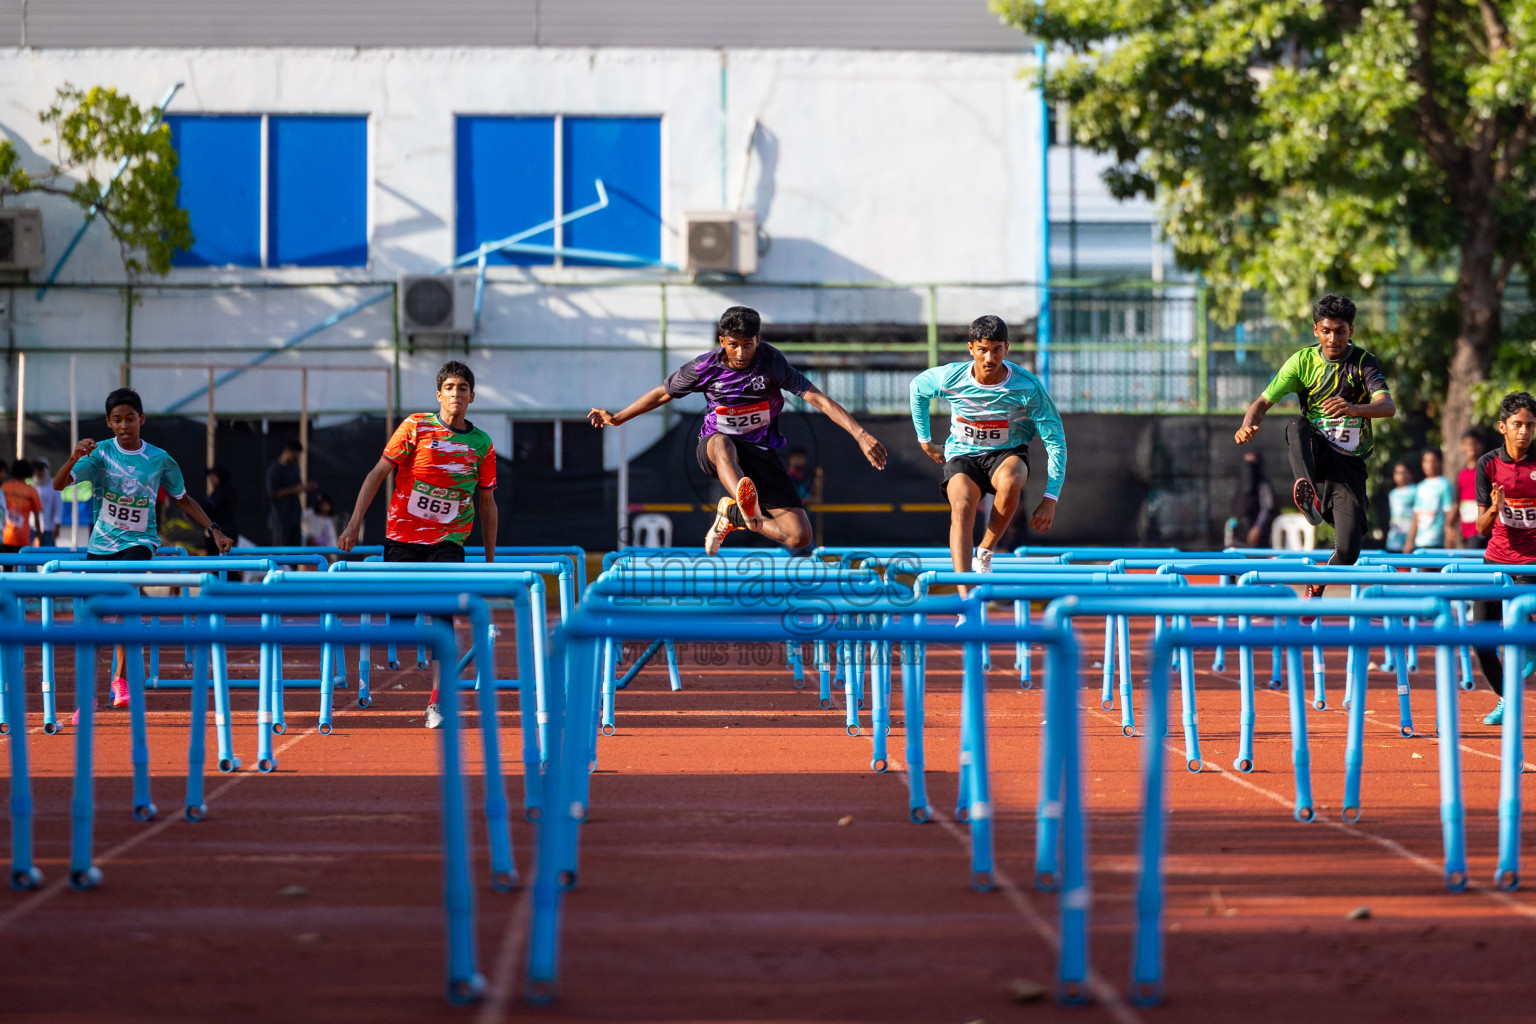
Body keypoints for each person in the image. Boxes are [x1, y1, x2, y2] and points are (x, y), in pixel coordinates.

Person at [589, 306, 887, 555]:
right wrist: (619, 417)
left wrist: (860, 434)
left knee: (799, 536)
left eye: (748, 344)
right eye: (734, 344)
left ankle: (735, 514)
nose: (741, 352)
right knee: (723, 444)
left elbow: (818, 399)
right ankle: (745, 504)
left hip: (760, 454)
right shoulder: (704, 367)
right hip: (714, 448)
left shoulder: (771, 362)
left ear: (758, 340)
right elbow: (662, 394)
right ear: (722, 341)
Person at [339, 361, 497, 729]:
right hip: (403, 538)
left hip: (449, 542)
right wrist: (353, 523)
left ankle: (437, 704)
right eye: (450, 387)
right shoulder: (415, 427)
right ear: (438, 394)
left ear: (472, 397)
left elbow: (487, 505)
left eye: (463, 388)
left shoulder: (481, 445)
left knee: (443, 621)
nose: (456, 394)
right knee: (402, 622)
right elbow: (378, 473)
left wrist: (490, 562)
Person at [54, 387, 232, 714]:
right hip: (101, 544)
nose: (125, 426)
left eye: (130, 419)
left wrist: (214, 529)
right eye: (118, 420)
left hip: (140, 541)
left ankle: (120, 680)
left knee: (124, 599)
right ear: (109, 423)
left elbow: (183, 500)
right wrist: (73, 457)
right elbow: (59, 484)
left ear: (142, 419)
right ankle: (86, 698)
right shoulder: (99, 454)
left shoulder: (160, 459)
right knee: (91, 618)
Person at [1234, 293, 1395, 596]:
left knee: (1349, 549)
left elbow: (1388, 406)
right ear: (1316, 330)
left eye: (1341, 331)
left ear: (1351, 331)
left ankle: (1319, 583)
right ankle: (1308, 493)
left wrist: (1354, 409)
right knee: (1297, 425)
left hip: (1348, 463)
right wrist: (1247, 425)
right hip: (1316, 451)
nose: (1333, 338)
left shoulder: (1364, 362)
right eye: (1327, 330)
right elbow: (1262, 402)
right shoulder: (1302, 361)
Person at [909, 314, 1066, 582]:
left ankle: (984, 552)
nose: (990, 359)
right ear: (971, 349)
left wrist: (1050, 498)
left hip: (1007, 453)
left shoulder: (1027, 386)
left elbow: (1055, 440)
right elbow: (917, 389)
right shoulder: (950, 377)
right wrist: (925, 442)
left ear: (1006, 348)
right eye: (982, 350)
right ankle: (963, 601)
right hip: (963, 455)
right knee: (961, 507)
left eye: (996, 350)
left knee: (1012, 478)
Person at [1471, 391, 1536, 726]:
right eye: (1517, 425)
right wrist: (1496, 508)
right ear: (1502, 426)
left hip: (1531, 564)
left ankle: (1530, 640)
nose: (1524, 431)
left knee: (1521, 625)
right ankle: (1506, 698)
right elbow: (1481, 527)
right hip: (1496, 560)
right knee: (1480, 639)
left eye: (1530, 425)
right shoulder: (1488, 464)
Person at [1405, 447, 1455, 554]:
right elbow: (1416, 516)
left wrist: (1449, 544)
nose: (1429, 464)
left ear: (1440, 462)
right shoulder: (1420, 486)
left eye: (1432, 461)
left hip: (1437, 543)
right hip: (1420, 543)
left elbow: (1449, 515)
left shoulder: (1444, 485)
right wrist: (1409, 541)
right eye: (1426, 461)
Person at [266, 440, 314, 546]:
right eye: (294, 456)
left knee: (294, 555)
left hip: (294, 519)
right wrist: (297, 489)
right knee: (280, 556)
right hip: (280, 520)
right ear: (286, 451)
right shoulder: (274, 470)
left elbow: (298, 485)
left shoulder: (293, 467)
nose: (295, 459)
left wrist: (305, 487)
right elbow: (273, 493)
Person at [1231, 449, 1278, 549]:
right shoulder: (1241, 483)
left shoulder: (1263, 484)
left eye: (1251, 463)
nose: (1248, 469)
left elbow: (1267, 508)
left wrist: (1257, 528)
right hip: (1239, 533)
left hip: (1255, 537)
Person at [1457, 428, 1489, 550]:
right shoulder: (1461, 473)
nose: (1471, 447)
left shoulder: (1488, 470)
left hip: (1485, 527)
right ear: (1462, 447)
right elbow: (1457, 500)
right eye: (1467, 444)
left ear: (1480, 446)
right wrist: (1449, 525)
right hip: (1466, 529)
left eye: (1474, 443)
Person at [0, 459, 41, 555]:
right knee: (22, 567)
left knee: (6, 567)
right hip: (23, 536)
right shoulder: (31, 491)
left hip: (5, 535)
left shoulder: (4, 488)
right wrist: (39, 536)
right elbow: (37, 516)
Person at [200, 465, 239, 555]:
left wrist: (193, 509)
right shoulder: (227, 490)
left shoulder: (222, 491)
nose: (210, 479)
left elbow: (208, 505)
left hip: (223, 533)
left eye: (213, 476)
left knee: (220, 564)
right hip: (227, 532)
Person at [1385, 460, 1418, 553]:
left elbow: (1417, 516)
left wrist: (1410, 541)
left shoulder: (1415, 491)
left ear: (1410, 474)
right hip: (1393, 540)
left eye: (1403, 472)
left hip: (1410, 541)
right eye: (1397, 472)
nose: (1400, 475)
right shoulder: (1393, 493)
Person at [31, 457, 61, 547]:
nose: (39, 473)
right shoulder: (31, 486)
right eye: (37, 470)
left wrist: (57, 525)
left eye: (41, 469)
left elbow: (58, 507)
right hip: (32, 529)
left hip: (48, 529)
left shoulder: (53, 485)